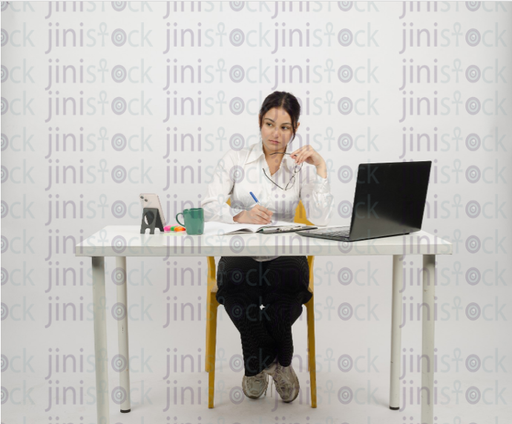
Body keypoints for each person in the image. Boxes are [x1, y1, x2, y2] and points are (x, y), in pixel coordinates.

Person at [200, 91, 334, 403]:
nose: (276, 134)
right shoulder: (236, 160)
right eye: (270, 124)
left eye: (285, 127)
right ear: (260, 123)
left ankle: (255, 365)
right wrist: (238, 215)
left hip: (285, 255)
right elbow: (207, 206)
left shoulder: (300, 166)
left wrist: (321, 167)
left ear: (295, 129)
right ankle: (278, 364)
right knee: (234, 292)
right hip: (242, 252)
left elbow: (320, 219)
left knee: (284, 299)